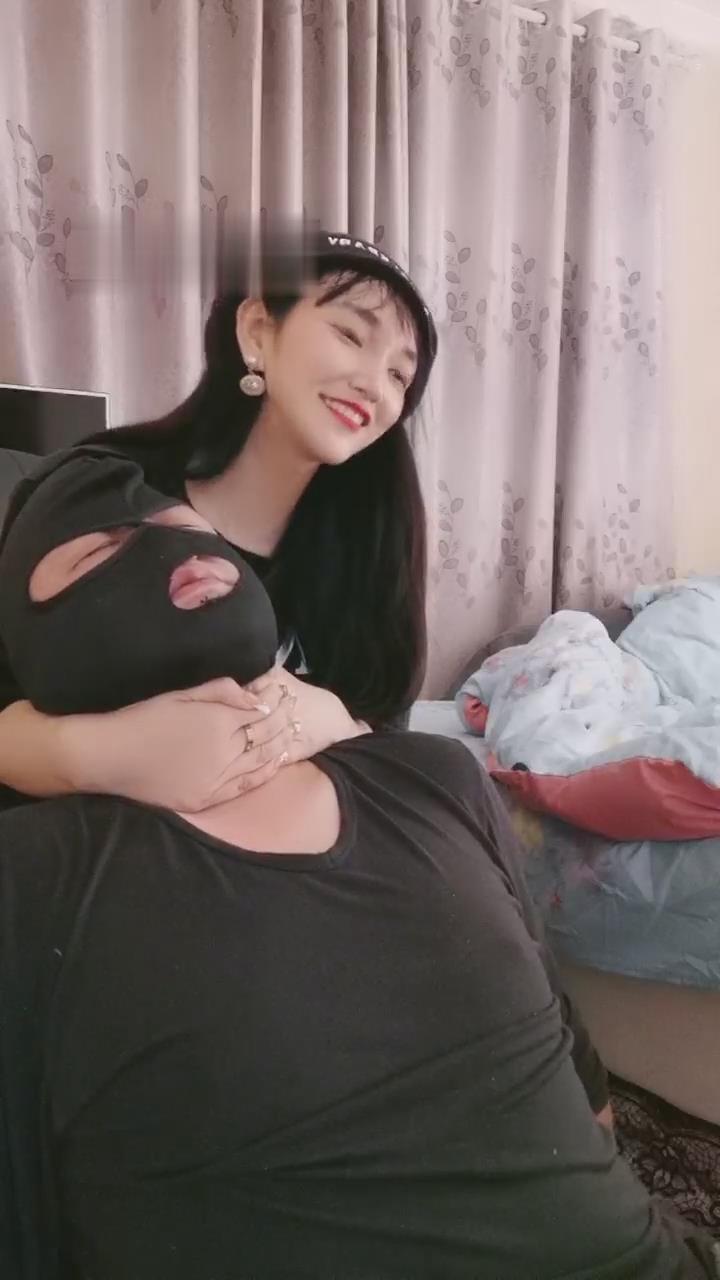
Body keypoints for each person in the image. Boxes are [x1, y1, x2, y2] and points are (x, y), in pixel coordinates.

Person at [0, 454, 716, 1279]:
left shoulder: (436, 776)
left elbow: (579, 1093)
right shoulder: (33, 876)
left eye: (187, 529)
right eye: (98, 553)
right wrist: (73, 749)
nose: (170, 547)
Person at [0, 229, 437, 814]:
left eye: (400, 376)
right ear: (257, 331)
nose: (374, 385)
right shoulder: (100, 495)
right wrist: (112, 753)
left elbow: (386, 738)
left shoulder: (372, 553)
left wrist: (333, 720)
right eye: (350, 334)